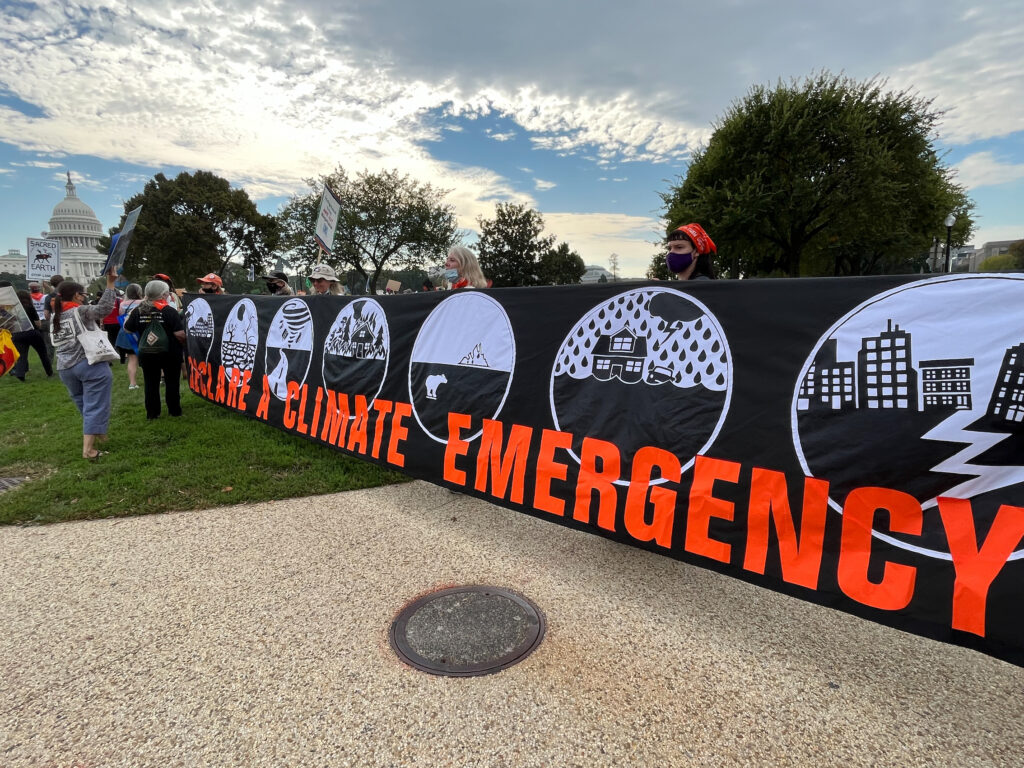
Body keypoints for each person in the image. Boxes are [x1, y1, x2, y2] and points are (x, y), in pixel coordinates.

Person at [50, 268, 117, 460]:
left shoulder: (55, 316)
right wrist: (110, 284)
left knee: (84, 404)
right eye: (83, 295)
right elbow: (103, 309)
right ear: (77, 296)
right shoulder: (80, 311)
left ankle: (99, 434)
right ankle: (89, 450)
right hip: (89, 363)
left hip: (65, 367)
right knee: (95, 405)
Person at [124, 280, 186, 420]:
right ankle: (174, 411)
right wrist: (185, 343)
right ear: (164, 295)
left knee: (150, 383)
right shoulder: (169, 311)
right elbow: (179, 333)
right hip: (170, 353)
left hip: (147, 353)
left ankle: (152, 413)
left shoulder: (139, 310)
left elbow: (128, 328)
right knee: (172, 382)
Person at [10, 289, 53, 381]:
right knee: (42, 353)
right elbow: (38, 323)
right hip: (32, 333)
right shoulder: (29, 307)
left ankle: (20, 373)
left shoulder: (12, 309)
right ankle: (49, 372)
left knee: (22, 355)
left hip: (18, 334)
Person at [115, 283, 144, 390]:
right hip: (141, 331)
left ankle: (132, 383)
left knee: (132, 359)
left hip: (127, 333)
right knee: (149, 356)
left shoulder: (122, 304)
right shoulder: (142, 302)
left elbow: (121, 316)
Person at [42, 274, 63, 364]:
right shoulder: (69, 294)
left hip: (55, 322)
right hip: (70, 321)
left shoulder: (49, 297)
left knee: (51, 344)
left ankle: (50, 363)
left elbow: (46, 315)